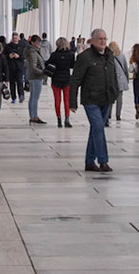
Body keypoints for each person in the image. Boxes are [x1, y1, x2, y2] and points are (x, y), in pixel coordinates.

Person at [74, 28, 119, 172]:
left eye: (105, 39)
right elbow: (75, 80)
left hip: (106, 98)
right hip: (91, 99)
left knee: (96, 129)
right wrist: (72, 102)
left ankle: (89, 162)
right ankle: (103, 161)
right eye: (100, 39)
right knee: (99, 127)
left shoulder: (109, 55)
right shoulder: (85, 57)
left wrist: (115, 93)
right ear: (92, 41)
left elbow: (113, 75)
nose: (103, 41)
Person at [45, 37, 77, 128]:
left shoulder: (54, 55)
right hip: (67, 79)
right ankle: (67, 119)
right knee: (66, 100)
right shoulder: (71, 54)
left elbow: (47, 64)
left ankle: (59, 119)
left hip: (55, 79)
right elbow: (73, 66)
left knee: (57, 100)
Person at [24, 34, 48, 125]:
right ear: (32, 43)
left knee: (33, 97)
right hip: (36, 77)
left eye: (40, 42)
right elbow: (33, 67)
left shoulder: (32, 51)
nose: (39, 44)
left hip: (32, 76)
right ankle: (34, 116)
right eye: (37, 42)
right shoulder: (33, 52)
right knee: (35, 98)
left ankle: (33, 115)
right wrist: (43, 72)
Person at [109, 42, 129, 123]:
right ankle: (118, 114)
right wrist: (126, 79)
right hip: (121, 79)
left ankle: (109, 114)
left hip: (112, 79)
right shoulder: (122, 56)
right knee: (119, 98)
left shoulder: (109, 56)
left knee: (110, 98)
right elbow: (125, 68)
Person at [4, 34, 26, 102]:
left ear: (18, 38)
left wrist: (18, 56)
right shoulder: (8, 46)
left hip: (19, 67)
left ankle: (21, 95)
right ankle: (13, 97)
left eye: (16, 38)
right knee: (12, 83)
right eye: (13, 38)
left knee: (20, 81)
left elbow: (24, 56)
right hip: (11, 67)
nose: (14, 40)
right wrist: (9, 56)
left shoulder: (22, 46)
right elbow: (4, 56)